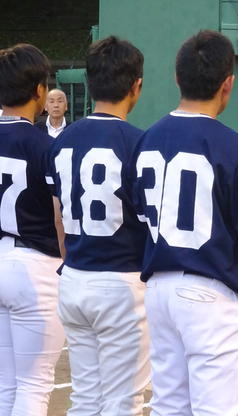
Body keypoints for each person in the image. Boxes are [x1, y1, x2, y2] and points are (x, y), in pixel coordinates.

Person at [132, 30, 238, 415]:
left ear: (178, 78)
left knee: (169, 406)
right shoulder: (236, 147)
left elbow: (140, 222)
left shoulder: (147, 139)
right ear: (227, 84)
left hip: (160, 292)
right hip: (211, 296)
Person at [45, 36, 150, 415]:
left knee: (85, 399)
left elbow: (58, 213)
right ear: (136, 85)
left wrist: (71, 258)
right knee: (124, 402)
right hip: (122, 278)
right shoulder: (140, 143)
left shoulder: (61, 140)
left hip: (73, 276)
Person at [0, 43, 65, 415]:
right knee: (33, 384)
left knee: (6, 382)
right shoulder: (45, 146)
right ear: (40, 91)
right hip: (34, 268)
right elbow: (59, 216)